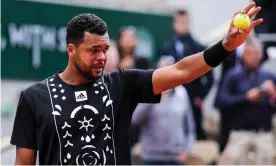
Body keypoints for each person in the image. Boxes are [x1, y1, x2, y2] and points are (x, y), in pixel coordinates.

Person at [10, 3, 263, 165]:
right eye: (93, 50)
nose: (102, 57)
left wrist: (226, 46)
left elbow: (181, 70)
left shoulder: (122, 84)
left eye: (105, 49)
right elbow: (24, 163)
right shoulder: (34, 98)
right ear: (71, 50)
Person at [216, 36, 276, 164]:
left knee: (267, 158)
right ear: (243, 55)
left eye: (256, 53)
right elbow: (222, 100)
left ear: (261, 55)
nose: (253, 57)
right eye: (250, 53)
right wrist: (245, 97)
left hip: (263, 132)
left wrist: (273, 95)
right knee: (229, 161)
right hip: (239, 132)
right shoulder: (233, 76)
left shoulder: (269, 76)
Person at [132, 56, 196, 165]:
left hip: (176, 157)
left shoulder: (182, 93)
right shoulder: (148, 91)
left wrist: (186, 150)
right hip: (152, 157)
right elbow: (135, 119)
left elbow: (190, 127)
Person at [160, 9, 214, 140]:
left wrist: (200, 97)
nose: (182, 24)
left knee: (193, 136)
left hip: (192, 101)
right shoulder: (166, 47)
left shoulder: (200, 48)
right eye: (179, 22)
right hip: (170, 102)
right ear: (174, 23)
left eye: (185, 22)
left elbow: (210, 78)